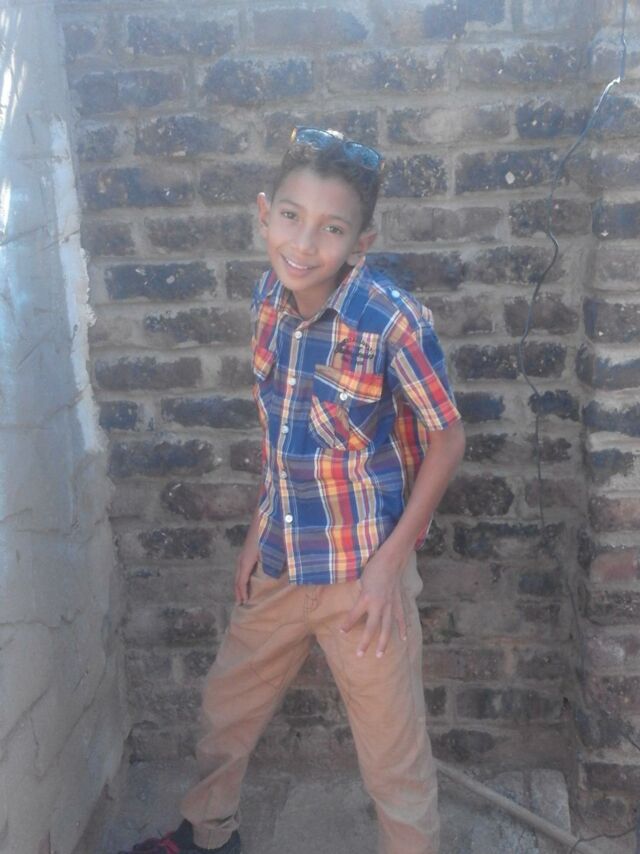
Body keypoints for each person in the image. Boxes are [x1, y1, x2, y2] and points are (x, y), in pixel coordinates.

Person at [119, 127, 465, 854]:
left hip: (362, 581)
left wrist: (387, 568)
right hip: (280, 559)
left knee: (393, 759)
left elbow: (447, 439)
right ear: (263, 212)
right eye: (290, 216)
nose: (304, 243)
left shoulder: (391, 321)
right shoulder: (268, 302)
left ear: (361, 242)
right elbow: (280, 431)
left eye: (331, 228)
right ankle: (209, 835)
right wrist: (257, 529)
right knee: (225, 711)